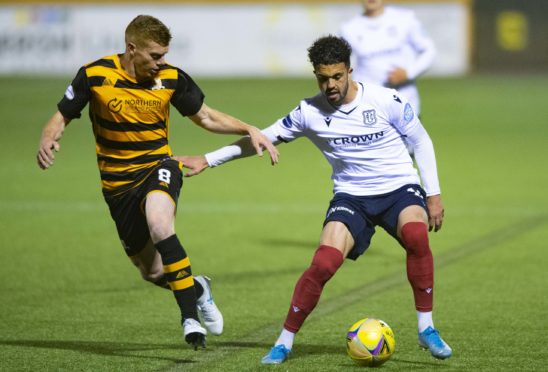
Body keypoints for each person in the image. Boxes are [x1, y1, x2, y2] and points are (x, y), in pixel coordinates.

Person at [179, 35, 452, 363]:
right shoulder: (308, 111)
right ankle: (284, 341)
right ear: (316, 76)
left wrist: (433, 195)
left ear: (350, 71)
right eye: (323, 78)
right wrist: (208, 159)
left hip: (398, 189)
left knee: (416, 235)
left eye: (337, 76)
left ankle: (426, 328)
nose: (331, 84)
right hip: (352, 197)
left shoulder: (384, 100)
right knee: (323, 263)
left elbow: (420, 141)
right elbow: (259, 141)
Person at [36, 15, 279, 350]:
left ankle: (189, 318)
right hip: (116, 184)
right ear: (131, 49)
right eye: (155, 55)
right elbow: (62, 115)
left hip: (158, 166)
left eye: (165, 54)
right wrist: (48, 138)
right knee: (151, 272)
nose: (161, 62)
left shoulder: (171, 79)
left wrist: (248, 128)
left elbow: (206, 116)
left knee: (160, 224)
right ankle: (197, 289)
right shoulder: (95, 75)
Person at [340, 0, 436, 116]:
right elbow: (339, 64)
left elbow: (429, 51)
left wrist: (408, 73)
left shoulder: (405, 19)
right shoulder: (349, 29)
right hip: (369, 105)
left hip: (405, 101)